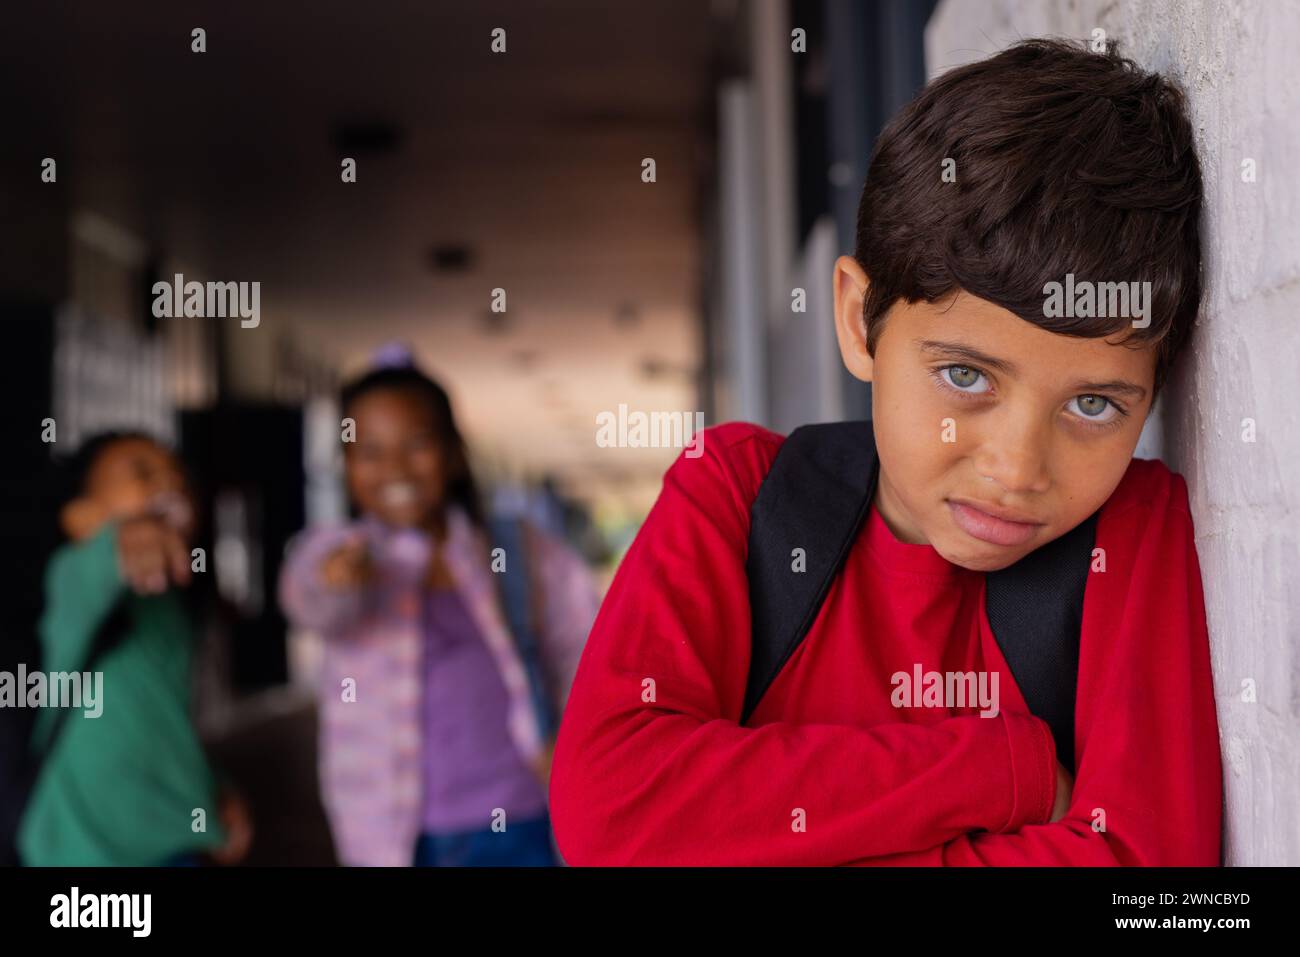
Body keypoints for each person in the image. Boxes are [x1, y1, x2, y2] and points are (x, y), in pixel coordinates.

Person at [549, 39, 1222, 865]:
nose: (1016, 469)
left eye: (1093, 404)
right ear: (858, 319)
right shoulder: (734, 495)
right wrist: (1004, 769)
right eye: (966, 376)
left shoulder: (1129, 533)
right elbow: (611, 812)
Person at [279, 350, 600, 866]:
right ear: (346, 465)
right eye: (370, 452)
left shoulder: (515, 550)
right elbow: (308, 603)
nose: (395, 467)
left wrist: (574, 748)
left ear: (453, 453)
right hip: (394, 837)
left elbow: (584, 648)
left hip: (519, 817)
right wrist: (335, 582)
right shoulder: (337, 551)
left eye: (417, 444)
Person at [18, 432, 252, 866]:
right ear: (81, 518)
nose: (170, 484)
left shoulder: (177, 609)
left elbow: (165, 722)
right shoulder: (70, 585)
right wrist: (122, 537)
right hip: (81, 851)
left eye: (180, 479)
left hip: (178, 842)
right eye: (143, 474)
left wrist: (212, 787)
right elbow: (100, 562)